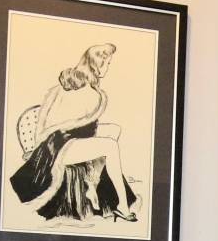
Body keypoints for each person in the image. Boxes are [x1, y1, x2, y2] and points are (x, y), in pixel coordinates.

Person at [10, 43, 139, 222]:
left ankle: (95, 182)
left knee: (114, 129)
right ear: (97, 65)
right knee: (110, 146)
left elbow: (81, 127)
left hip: (63, 139)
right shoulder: (87, 91)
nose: (108, 67)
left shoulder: (75, 84)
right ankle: (122, 206)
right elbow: (66, 126)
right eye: (108, 63)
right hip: (56, 147)